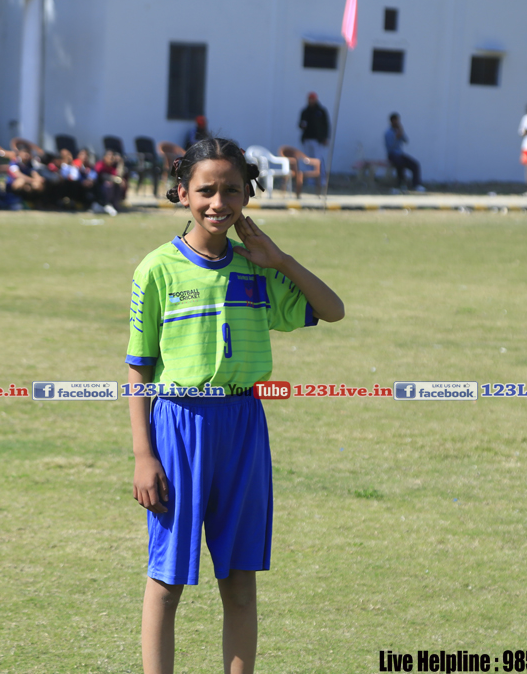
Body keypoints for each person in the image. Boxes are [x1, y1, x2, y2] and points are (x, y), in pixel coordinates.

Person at [127, 137, 344, 674]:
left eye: (231, 190)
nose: (218, 203)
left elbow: (332, 309)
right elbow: (139, 368)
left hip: (243, 425)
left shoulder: (258, 269)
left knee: (241, 584)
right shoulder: (156, 269)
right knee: (167, 583)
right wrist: (143, 455)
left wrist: (280, 259)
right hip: (178, 426)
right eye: (206, 190)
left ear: (248, 195)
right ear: (182, 193)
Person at [384, 112, 424, 192]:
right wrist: (396, 137)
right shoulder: (388, 133)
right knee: (400, 163)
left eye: (398, 120)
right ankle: (401, 184)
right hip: (392, 155)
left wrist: (401, 132)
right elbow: (390, 146)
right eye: (395, 121)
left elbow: (406, 141)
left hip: (400, 154)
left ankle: (416, 185)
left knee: (415, 165)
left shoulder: (398, 131)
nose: (397, 122)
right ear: (392, 121)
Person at [298, 92, 329, 189]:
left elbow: (326, 125)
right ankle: (310, 181)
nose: (311, 101)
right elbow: (300, 124)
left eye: (312, 99)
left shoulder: (321, 111)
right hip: (307, 139)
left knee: (318, 160)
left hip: (317, 140)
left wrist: (325, 138)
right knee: (308, 160)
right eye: (309, 99)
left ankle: (322, 180)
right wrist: (302, 125)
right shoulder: (305, 111)